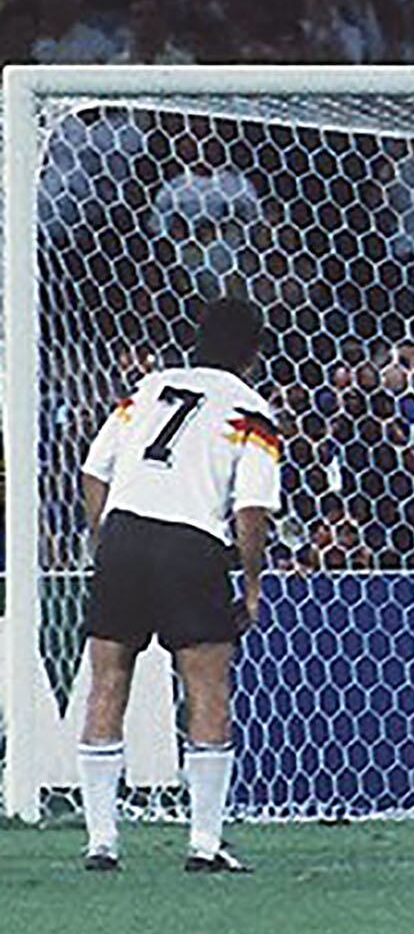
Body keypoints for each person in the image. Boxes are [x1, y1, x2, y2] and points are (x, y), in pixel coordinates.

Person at [77, 298, 279, 873]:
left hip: (123, 536)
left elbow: (93, 472)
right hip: (191, 545)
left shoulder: (148, 388)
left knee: (107, 681)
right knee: (207, 688)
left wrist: (105, 541)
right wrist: (252, 585)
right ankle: (204, 842)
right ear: (252, 354)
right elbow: (252, 508)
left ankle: (101, 841)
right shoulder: (252, 410)